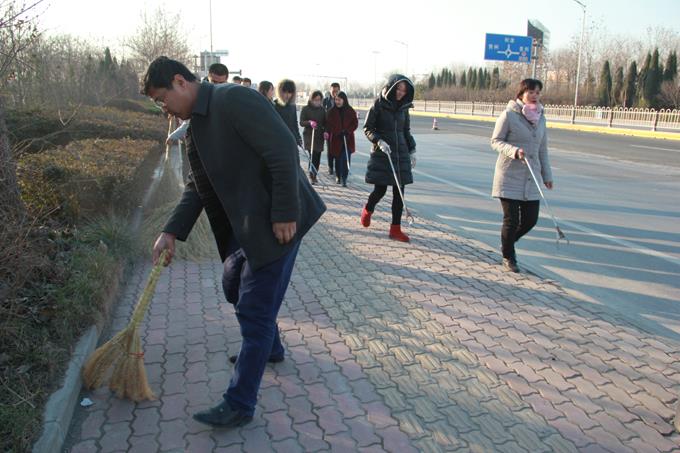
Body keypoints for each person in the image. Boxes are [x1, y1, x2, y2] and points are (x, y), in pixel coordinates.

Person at [143, 56, 326, 428]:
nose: (164, 109)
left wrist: (284, 212)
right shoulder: (196, 127)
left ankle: (240, 403)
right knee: (233, 287)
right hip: (245, 227)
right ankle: (271, 347)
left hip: (278, 223)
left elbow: (282, 147)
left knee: (254, 310)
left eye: (162, 99)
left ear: (179, 82)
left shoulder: (233, 99)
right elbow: (197, 186)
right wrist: (170, 231)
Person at [491, 78, 553, 273]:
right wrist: (514, 151)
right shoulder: (509, 115)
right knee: (512, 220)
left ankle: (507, 242)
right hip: (509, 175)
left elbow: (542, 149)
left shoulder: (541, 118)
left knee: (530, 220)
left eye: (537, 92)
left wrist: (547, 175)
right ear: (521, 94)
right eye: (531, 92)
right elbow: (495, 141)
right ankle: (509, 257)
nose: (534, 96)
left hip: (531, 176)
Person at [361, 74, 416, 243]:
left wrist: (412, 150)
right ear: (392, 87)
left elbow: (405, 131)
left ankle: (395, 229)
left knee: (399, 193)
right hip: (383, 154)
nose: (401, 93)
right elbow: (368, 128)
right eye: (398, 89)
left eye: (404, 91)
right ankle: (368, 209)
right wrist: (379, 141)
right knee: (380, 190)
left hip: (401, 154)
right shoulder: (378, 104)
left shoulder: (404, 108)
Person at [166, 63, 229, 144]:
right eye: (214, 82)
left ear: (226, 80)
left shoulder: (231, 96)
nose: (217, 86)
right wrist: (174, 136)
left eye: (221, 83)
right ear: (209, 77)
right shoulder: (198, 94)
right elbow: (190, 122)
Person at [325, 91, 357, 187]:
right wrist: (337, 132)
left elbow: (355, 123)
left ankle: (344, 178)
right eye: (336, 100)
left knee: (346, 158)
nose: (337, 102)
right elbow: (329, 124)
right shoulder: (331, 111)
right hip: (336, 139)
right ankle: (338, 176)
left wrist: (348, 131)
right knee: (338, 159)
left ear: (344, 100)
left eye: (339, 100)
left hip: (348, 139)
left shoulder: (350, 111)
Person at [299, 90, 327, 184]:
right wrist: (309, 122)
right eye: (315, 100)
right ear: (311, 99)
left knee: (317, 156)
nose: (317, 102)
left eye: (319, 100)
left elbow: (326, 123)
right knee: (312, 155)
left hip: (319, 136)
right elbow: (301, 122)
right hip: (309, 135)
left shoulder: (322, 110)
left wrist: (326, 131)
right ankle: (312, 175)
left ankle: (315, 173)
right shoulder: (305, 109)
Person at [273, 79, 302, 147]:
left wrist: (298, 137)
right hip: (278, 139)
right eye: (285, 92)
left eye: (290, 92)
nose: (287, 95)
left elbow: (294, 123)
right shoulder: (274, 105)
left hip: (291, 139)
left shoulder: (292, 105)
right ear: (280, 92)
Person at [323, 82, 341, 175]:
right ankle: (330, 167)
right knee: (330, 149)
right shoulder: (325, 101)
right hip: (328, 129)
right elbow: (322, 114)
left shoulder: (341, 100)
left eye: (336, 91)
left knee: (338, 149)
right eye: (333, 91)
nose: (335, 93)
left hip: (338, 129)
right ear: (330, 90)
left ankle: (338, 168)